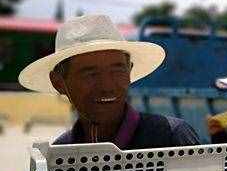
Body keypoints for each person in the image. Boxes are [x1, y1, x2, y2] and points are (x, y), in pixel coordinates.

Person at [18, 15, 200, 148]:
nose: (106, 86)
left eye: (117, 70)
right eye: (89, 74)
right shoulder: (60, 154)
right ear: (59, 83)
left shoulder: (170, 137)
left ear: (129, 72)